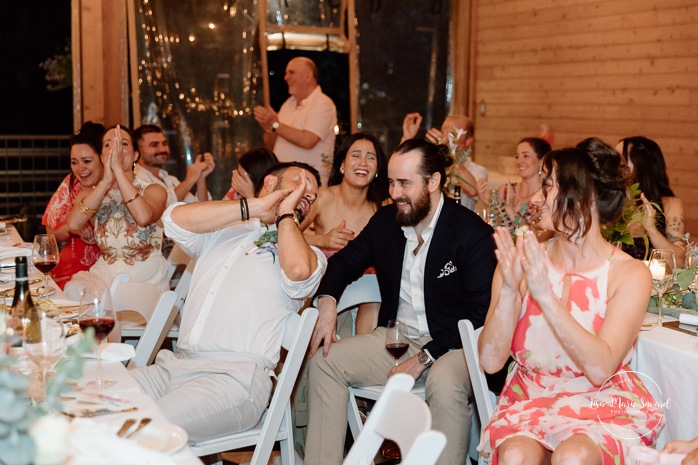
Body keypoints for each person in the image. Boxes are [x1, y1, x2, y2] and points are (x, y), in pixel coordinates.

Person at [304, 138, 497, 465]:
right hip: (399, 338)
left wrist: (424, 357)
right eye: (392, 182)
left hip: (458, 344)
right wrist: (326, 303)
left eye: (405, 183)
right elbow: (341, 265)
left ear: (433, 182)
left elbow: (481, 314)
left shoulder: (470, 232)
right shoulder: (386, 222)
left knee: (444, 380)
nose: (394, 192)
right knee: (325, 361)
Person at [478, 143, 664, 465]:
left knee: (573, 456)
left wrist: (545, 296)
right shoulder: (524, 260)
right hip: (531, 397)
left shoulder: (629, 274)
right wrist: (510, 290)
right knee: (515, 455)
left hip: (601, 401)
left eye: (547, 187)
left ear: (584, 195)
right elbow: (490, 361)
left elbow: (601, 368)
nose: (536, 198)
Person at [130, 162, 327, 442]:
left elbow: (298, 273)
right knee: (88, 402)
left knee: (143, 431)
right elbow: (173, 218)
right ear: (270, 184)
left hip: (236, 380)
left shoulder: (311, 255)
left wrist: (284, 215)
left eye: (311, 197)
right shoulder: (224, 230)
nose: (305, 197)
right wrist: (254, 207)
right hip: (174, 367)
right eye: (301, 185)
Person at [64, 125, 169, 300]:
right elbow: (73, 224)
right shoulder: (91, 194)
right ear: (101, 156)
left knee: (103, 302)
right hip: (103, 276)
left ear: (136, 155)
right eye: (108, 145)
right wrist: (106, 181)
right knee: (73, 290)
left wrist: (118, 170)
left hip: (144, 279)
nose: (116, 149)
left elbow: (143, 217)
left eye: (123, 143)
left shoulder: (154, 190)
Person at [300, 133, 389, 334]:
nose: (363, 162)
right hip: (326, 292)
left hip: (370, 297)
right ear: (342, 164)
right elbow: (287, 234)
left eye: (371, 157)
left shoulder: (383, 207)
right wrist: (322, 240)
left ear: (377, 169)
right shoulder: (322, 197)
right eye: (356, 155)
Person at [253, 57, 337, 185]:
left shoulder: (323, 103)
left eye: (291, 73)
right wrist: (269, 127)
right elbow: (270, 145)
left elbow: (308, 140)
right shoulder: (288, 104)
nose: (285, 77)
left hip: (309, 185)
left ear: (308, 76)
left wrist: (275, 124)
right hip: (282, 183)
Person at [41, 121, 104, 289]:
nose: (80, 169)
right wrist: (74, 228)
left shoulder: (115, 187)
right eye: (74, 162)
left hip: (104, 271)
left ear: (103, 158)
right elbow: (51, 231)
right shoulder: (71, 183)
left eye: (87, 161)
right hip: (71, 267)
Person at [616, 136, 686, 266]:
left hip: (657, 284)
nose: (614, 165)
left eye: (621, 159)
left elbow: (680, 262)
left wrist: (651, 230)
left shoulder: (670, 205)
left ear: (640, 164)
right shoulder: (614, 203)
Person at [402, 112, 488, 210]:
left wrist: (450, 153)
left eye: (452, 133)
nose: (446, 137)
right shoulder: (433, 166)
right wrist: (407, 139)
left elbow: (473, 190)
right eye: (444, 132)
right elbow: (404, 174)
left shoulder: (478, 170)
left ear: (468, 140)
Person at [133, 124, 215, 206]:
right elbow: (160, 207)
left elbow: (200, 207)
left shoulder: (170, 179)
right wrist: (190, 180)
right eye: (154, 145)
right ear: (137, 151)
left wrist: (201, 177)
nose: (163, 149)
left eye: (164, 144)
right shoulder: (135, 179)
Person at [483, 137, 552, 232]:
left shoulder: (544, 199)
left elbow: (536, 237)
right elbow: (493, 225)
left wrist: (510, 209)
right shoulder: (505, 190)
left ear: (542, 160)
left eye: (526, 156)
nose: (519, 161)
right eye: (517, 156)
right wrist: (488, 204)